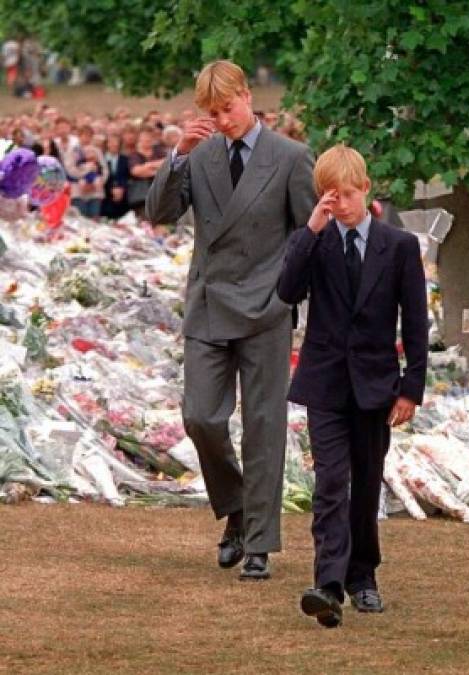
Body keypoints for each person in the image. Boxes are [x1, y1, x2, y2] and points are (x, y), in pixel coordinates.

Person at [145, 60, 316, 580]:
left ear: (247, 95)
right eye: (211, 112)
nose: (222, 119)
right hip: (208, 303)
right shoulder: (199, 157)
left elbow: (310, 238)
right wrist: (178, 155)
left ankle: (260, 542)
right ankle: (238, 508)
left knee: (264, 426)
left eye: (228, 108)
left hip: (267, 307)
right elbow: (158, 214)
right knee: (201, 417)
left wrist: (305, 301)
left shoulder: (289, 157)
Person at [278, 145, 428, 628]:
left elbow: (416, 323)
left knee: (365, 484)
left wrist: (411, 388)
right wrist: (312, 229)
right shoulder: (315, 241)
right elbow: (286, 291)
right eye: (329, 196)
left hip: (375, 384)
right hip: (324, 382)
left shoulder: (399, 246)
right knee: (330, 482)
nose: (339, 203)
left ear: (365, 189)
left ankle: (363, 576)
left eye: (345, 194)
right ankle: (328, 583)